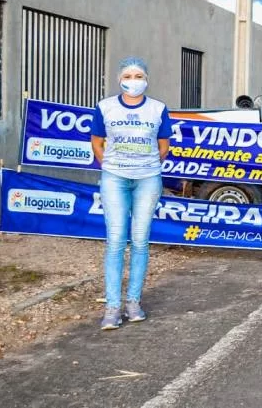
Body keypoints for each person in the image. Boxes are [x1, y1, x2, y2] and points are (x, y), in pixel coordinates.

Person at [90, 57, 172, 330]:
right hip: (114, 178)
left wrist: (145, 166)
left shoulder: (158, 109)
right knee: (115, 240)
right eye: (129, 75)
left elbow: (163, 146)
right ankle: (112, 308)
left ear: (146, 79)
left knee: (139, 240)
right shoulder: (105, 107)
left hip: (148, 179)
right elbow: (96, 142)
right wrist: (112, 166)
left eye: (139, 76)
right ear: (119, 78)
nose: (134, 81)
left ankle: (133, 302)